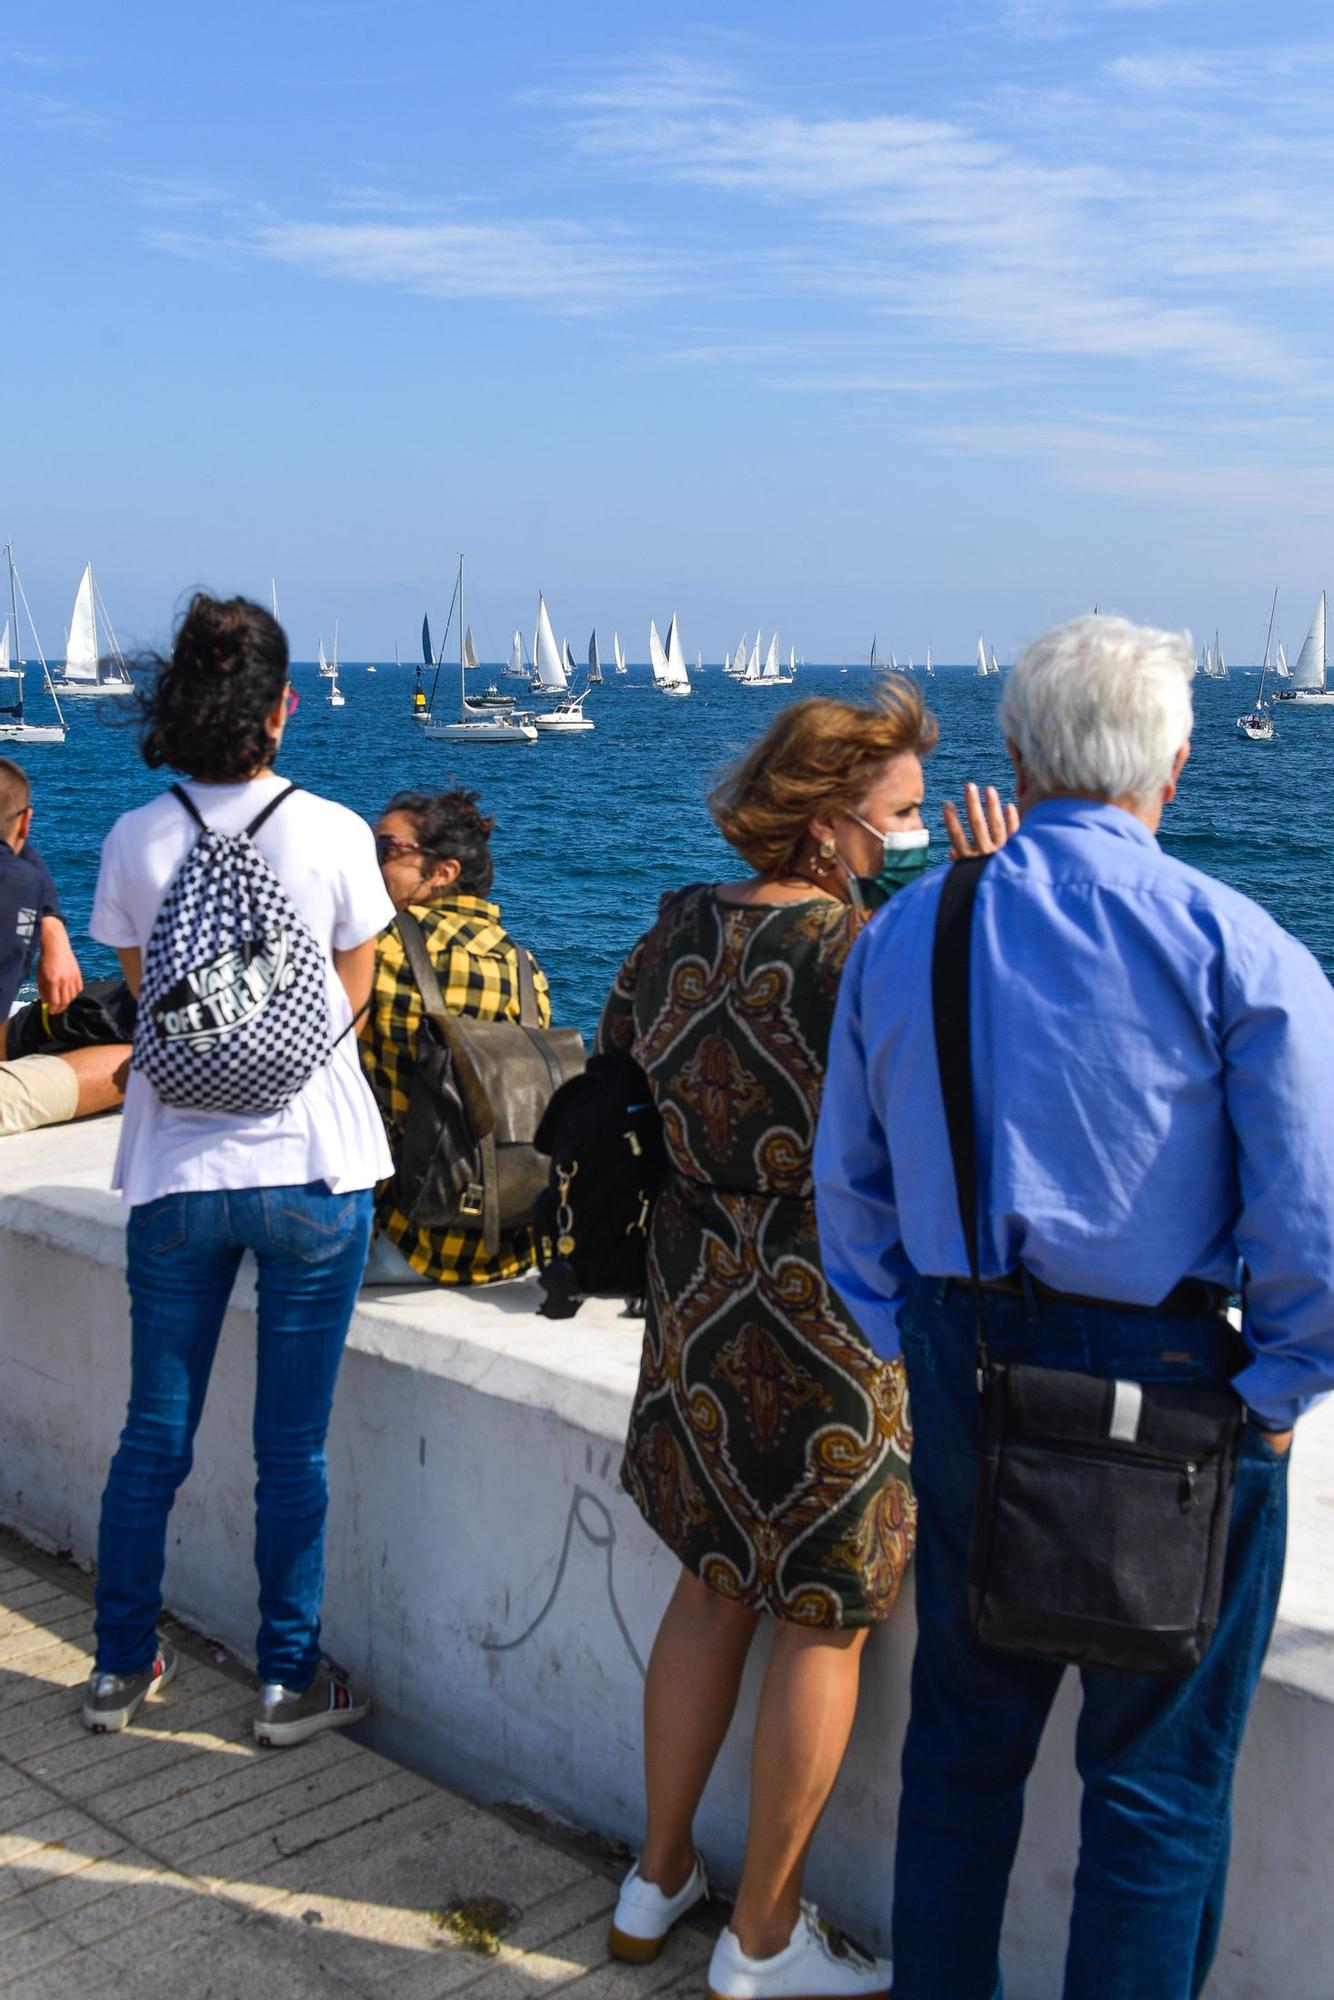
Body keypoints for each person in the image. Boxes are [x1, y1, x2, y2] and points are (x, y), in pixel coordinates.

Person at [815, 615, 1334, 2000]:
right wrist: (1275, 1398)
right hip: (1171, 1390)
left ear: (1017, 760)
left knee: (960, 1758)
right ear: (1169, 770)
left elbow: (848, 1192)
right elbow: (1314, 1224)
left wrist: (912, 1340)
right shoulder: (1239, 946)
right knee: (1155, 1785)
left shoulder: (906, 934)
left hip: (963, 1360)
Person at [600, 686, 954, 2000]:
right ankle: (760, 1939)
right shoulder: (867, 954)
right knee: (824, 1621)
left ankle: (654, 1878)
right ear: (829, 819)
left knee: (710, 1588)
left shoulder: (674, 925)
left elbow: (621, 1061)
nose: (913, 831)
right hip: (830, 1322)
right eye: (903, 811)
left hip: (696, 1306)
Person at [82, 593, 394, 1746]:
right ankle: (285, 1680)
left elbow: (151, 1000)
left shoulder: (133, 837)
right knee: (290, 1446)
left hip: (173, 1168)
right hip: (313, 1161)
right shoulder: (337, 831)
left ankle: (118, 1668)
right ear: (281, 707)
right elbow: (349, 995)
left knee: (152, 1432)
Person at [361, 787, 551, 1286]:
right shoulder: (525, 969)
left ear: (442, 872)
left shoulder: (377, 955)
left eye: (384, 850)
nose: (368, 863)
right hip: (510, 1238)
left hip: (404, 1239)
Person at [0, 756, 104, 1132]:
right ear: (27, 821)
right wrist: (55, 931)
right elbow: (22, 855)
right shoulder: (19, 884)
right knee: (134, 1062)